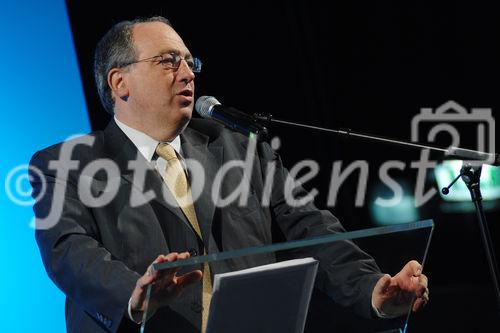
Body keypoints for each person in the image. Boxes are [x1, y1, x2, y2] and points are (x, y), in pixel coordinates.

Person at [30, 16, 429, 333]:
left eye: (190, 62)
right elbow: (69, 251)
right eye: (169, 61)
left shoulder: (239, 148)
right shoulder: (66, 164)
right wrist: (134, 295)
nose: (187, 73)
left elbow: (311, 228)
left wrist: (373, 289)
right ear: (119, 82)